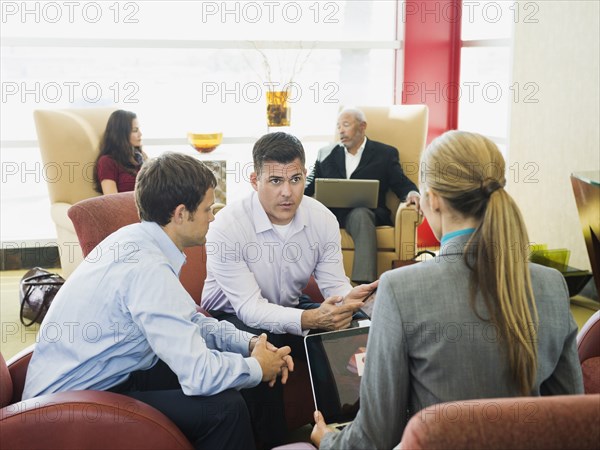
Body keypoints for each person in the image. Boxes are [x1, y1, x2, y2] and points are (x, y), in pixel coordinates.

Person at [311, 130, 584, 449]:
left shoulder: (399, 288)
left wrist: (328, 440)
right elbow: (569, 419)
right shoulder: (552, 284)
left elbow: (374, 438)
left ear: (434, 199)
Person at [23, 153, 293, 450]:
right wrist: (256, 367)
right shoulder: (147, 267)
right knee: (225, 408)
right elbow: (199, 376)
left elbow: (191, 321)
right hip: (69, 408)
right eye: (207, 209)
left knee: (240, 380)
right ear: (180, 214)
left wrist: (250, 345)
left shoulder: (137, 239)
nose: (212, 217)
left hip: (107, 376)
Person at [201, 131, 377, 444]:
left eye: (295, 179)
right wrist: (311, 320)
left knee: (354, 330)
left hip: (289, 307)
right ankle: (276, 443)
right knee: (268, 349)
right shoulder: (227, 226)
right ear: (255, 180)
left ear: (305, 176)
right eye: (275, 181)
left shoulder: (320, 218)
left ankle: (345, 433)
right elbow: (250, 309)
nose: (287, 192)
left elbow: (334, 286)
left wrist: (354, 304)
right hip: (228, 317)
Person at [304, 108, 421, 284]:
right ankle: (304, 283)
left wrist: (412, 193)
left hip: (366, 216)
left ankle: (363, 288)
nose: (340, 131)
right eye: (338, 126)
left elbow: (401, 183)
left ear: (362, 126)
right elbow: (309, 184)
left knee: (360, 214)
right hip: (331, 214)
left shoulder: (385, 154)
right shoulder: (325, 153)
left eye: (345, 124)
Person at [93, 109, 148, 194]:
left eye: (139, 129)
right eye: (135, 130)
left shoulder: (141, 157)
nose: (140, 134)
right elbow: (111, 200)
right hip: (127, 206)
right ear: (121, 134)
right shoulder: (107, 161)